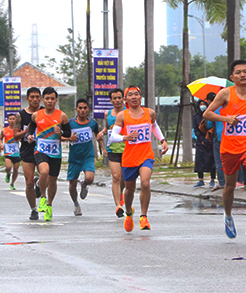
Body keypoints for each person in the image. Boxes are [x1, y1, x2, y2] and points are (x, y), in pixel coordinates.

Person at [204, 60, 246, 239]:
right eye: (238, 72)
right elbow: (207, 113)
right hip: (229, 147)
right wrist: (226, 119)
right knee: (229, 186)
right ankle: (228, 215)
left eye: (245, 71)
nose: (243, 75)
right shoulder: (225, 94)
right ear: (232, 77)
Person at [108, 85, 168, 232]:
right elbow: (112, 137)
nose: (134, 97)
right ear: (125, 99)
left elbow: (154, 126)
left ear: (140, 97)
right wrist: (124, 137)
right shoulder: (122, 115)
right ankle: (129, 212)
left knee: (146, 183)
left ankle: (143, 216)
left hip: (146, 155)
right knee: (129, 189)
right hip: (129, 157)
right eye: (130, 95)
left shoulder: (150, 113)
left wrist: (163, 140)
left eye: (136, 94)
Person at [26, 86, 73, 221]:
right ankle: (42, 197)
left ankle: (49, 205)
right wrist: (30, 136)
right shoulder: (37, 115)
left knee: (52, 180)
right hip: (40, 149)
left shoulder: (61, 116)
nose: (50, 101)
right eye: (47, 99)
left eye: (52, 99)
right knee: (44, 172)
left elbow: (68, 133)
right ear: (43, 100)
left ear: (56, 100)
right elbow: (32, 127)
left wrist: (61, 133)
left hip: (55, 153)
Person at [63, 98, 100, 216]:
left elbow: (97, 136)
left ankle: (84, 185)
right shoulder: (69, 124)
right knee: (72, 184)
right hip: (74, 158)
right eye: (80, 108)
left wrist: (103, 148)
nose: (83, 110)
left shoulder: (93, 123)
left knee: (90, 178)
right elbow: (59, 137)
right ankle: (76, 204)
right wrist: (69, 138)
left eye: (85, 108)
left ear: (88, 110)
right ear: (76, 109)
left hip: (88, 156)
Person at [97, 88, 129, 217]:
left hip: (127, 149)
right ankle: (118, 206)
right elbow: (107, 127)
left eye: (119, 97)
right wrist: (102, 132)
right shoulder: (107, 114)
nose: (117, 100)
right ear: (110, 100)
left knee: (125, 179)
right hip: (112, 149)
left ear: (123, 99)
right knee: (116, 177)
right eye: (114, 98)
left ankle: (121, 194)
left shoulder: (128, 112)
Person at [14, 87, 43, 220]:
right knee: (29, 182)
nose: (35, 99)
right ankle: (33, 209)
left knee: (45, 175)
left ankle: (40, 184)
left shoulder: (44, 112)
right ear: (27, 99)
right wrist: (27, 131)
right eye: (32, 97)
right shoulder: (21, 115)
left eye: (37, 97)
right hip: (27, 149)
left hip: (43, 148)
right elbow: (16, 136)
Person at [192, 99, 216, 188]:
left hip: (210, 141)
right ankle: (200, 180)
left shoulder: (211, 115)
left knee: (212, 161)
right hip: (200, 142)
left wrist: (208, 138)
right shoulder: (196, 117)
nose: (202, 106)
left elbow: (213, 127)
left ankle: (212, 179)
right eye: (200, 104)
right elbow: (196, 129)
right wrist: (201, 139)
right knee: (199, 161)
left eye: (204, 104)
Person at [205, 92, 226, 192]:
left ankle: (222, 182)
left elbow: (208, 125)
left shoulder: (214, 110)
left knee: (219, 162)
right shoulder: (228, 107)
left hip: (218, 138)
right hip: (231, 138)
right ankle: (239, 180)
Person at [0, 113, 21, 190]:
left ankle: (12, 183)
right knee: (8, 167)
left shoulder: (18, 130)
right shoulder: (4, 130)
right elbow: (0, 138)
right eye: (10, 119)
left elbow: (21, 138)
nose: (12, 121)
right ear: (7, 120)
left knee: (16, 169)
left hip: (16, 152)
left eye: (13, 119)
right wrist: (1, 144)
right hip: (8, 152)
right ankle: (8, 174)